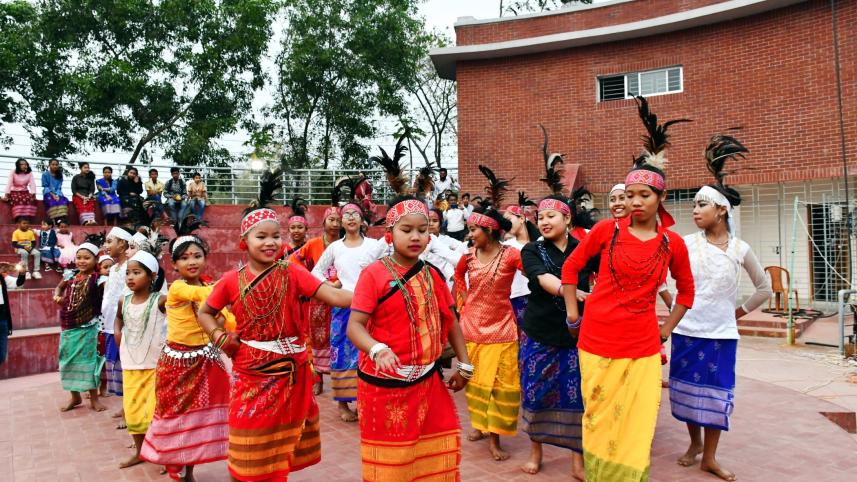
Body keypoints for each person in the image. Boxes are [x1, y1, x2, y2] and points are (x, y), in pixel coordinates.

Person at [561, 96, 695, 481]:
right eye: (630, 195)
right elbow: (571, 268)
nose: (635, 202)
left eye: (645, 195)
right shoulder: (606, 231)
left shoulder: (674, 244)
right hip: (597, 338)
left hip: (642, 345)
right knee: (599, 416)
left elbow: (686, 293)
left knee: (637, 425)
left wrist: (665, 329)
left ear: (661, 198)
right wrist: (573, 313)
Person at [197, 170, 353, 481]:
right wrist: (219, 335)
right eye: (261, 236)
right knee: (248, 439)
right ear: (244, 242)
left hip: (289, 370)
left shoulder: (293, 273)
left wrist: (371, 291)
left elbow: (333, 296)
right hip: (250, 368)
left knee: (278, 444)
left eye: (275, 236)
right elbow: (205, 311)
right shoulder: (231, 281)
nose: (270, 242)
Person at [347, 195, 472, 481]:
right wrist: (377, 349)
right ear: (389, 234)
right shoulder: (373, 275)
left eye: (423, 229)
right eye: (407, 230)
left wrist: (465, 365)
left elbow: (451, 321)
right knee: (392, 466)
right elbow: (355, 326)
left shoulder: (434, 274)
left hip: (427, 382)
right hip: (383, 386)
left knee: (434, 459)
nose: (416, 236)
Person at [670, 134, 772, 482]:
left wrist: (737, 313)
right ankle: (693, 444)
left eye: (702, 205)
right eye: (694, 205)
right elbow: (665, 282)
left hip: (720, 335)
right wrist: (674, 311)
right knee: (685, 392)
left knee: (714, 396)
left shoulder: (740, 249)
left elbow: (764, 289)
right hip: (686, 331)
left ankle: (709, 457)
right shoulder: (684, 245)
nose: (695, 211)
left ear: (721, 210)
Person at [140, 216, 234, 481]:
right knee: (176, 416)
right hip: (178, 365)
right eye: (184, 258)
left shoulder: (206, 285)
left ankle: (188, 469)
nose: (192, 262)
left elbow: (224, 318)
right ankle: (175, 465)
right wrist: (234, 282)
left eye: (197, 256)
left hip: (206, 361)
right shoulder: (179, 288)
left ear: (205, 258)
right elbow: (206, 298)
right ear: (174, 264)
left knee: (199, 420)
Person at [518, 195, 593, 478]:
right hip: (540, 333)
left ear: (568, 219)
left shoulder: (585, 249)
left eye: (551, 216)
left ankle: (578, 460)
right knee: (536, 392)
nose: (544, 222)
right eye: (540, 217)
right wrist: (570, 291)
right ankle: (535, 451)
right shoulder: (532, 250)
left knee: (579, 397)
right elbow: (541, 279)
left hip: (577, 335)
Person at [454, 204, 523, 462]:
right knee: (477, 384)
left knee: (501, 385)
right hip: (471, 329)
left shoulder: (512, 255)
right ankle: (480, 425)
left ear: (490, 230)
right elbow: (458, 275)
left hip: (503, 329)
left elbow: (534, 273)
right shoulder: (468, 256)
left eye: (474, 230)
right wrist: (463, 299)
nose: (470, 235)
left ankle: (495, 437)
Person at [311, 202, 386, 422]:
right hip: (343, 307)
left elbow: (386, 267)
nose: (351, 218)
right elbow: (316, 272)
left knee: (369, 352)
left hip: (372, 306)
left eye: (355, 214)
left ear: (362, 219)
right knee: (341, 354)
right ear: (341, 221)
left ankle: (366, 401)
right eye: (346, 215)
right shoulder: (335, 247)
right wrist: (330, 285)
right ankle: (343, 405)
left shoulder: (374, 245)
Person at [115, 246, 167, 469]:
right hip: (130, 364)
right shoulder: (123, 300)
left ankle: (165, 455)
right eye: (128, 272)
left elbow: (179, 311)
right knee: (133, 411)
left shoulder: (160, 300)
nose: (130, 277)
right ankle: (140, 452)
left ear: (152, 276)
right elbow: (118, 319)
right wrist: (118, 332)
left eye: (137, 272)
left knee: (157, 412)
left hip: (155, 364)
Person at [290, 203, 342, 394]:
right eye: (331, 220)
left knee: (339, 339)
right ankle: (317, 380)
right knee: (317, 338)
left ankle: (339, 383)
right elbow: (293, 261)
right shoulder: (313, 244)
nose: (335, 224)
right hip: (319, 296)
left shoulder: (346, 243)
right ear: (324, 222)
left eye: (338, 220)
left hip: (341, 296)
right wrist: (308, 277)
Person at [54, 234, 106, 412]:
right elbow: (60, 287)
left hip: (89, 326)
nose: (82, 261)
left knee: (88, 362)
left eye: (87, 258)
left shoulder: (99, 279)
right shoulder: (70, 275)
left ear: (95, 259)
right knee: (67, 361)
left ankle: (94, 398)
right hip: (68, 325)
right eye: (79, 257)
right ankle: (75, 397)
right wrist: (57, 296)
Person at [102, 227, 135, 403]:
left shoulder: (130, 267)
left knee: (125, 365)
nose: (106, 245)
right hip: (109, 323)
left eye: (110, 241)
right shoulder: (114, 268)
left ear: (122, 244)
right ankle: (125, 406)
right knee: (115, 363)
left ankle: (128, 409)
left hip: (123, 325)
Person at [423, 208, 466, 289]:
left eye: (435, 221)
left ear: (440, 223)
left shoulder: (447, 239)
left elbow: (462, 249)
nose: (431, 224)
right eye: (428, 221)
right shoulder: (420, 241)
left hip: (447, 281)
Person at [0, 263, 26, 365]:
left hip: (2, 320)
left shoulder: (3, 277)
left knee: (1, 355)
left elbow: (18, 283)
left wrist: (22, 273)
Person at [42, 158, 69, 223]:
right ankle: (53, 219)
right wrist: (53, 195)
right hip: (48, 192)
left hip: (58, 193)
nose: (54, 166)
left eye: (56, 165)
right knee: (51, 201)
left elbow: (59, 187)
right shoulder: (45, 174)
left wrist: (57, 195)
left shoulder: (60, 175)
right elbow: (45, 186)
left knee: (63, 201)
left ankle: (61, 220)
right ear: (49, 165)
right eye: (53, 164)